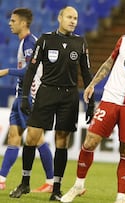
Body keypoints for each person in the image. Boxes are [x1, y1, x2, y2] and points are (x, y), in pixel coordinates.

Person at [60, 12, 125, 203]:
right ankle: (78, 185)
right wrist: (92, 84)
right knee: (90, 141)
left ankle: (120, 196)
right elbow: (109, 63)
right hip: (110, 99)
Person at [9, 6, 94, 201]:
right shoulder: (45, 40)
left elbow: (87, 73)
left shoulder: (80, 42)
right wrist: (23, 96)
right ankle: (25, 182)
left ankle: (56, 188)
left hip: (69, 96)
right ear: (60, 17)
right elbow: (31, 70)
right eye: (69, 17)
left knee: (61, 141)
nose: (73, 21)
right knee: (31, 137)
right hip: (46, 92)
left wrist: (91, 101)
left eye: (75, 18)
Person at [0, 7, 54, 193]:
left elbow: (28, 71)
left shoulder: (30, 43)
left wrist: (6, 71)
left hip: (30, 97)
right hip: (20, 96)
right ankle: (1, 179)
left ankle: (51, 181)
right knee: (13, 137)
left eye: (13, 20)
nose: (10, 23)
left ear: (23, 23)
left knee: (36, 139)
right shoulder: (25, 42)